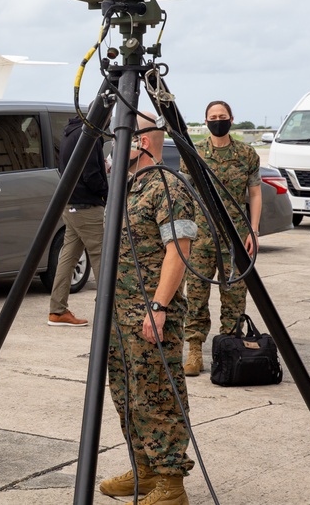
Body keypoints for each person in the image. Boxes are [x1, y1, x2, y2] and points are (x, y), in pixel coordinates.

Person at [99, 113, 197, 504]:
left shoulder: (167, 187)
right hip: (119, 316)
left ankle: (171, 485)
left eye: (119, 135)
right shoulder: (126, 186)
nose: (112, 144)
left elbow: (179, 251)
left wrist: (158, 307)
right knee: (126, 396)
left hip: (150, 314)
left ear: (141, 141)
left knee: (156, 397)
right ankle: (145, 470)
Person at [180, 100, 261, 377]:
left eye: (222, 116)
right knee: (197, 295)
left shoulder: (247, 154)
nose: (218, 120)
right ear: (206, 121)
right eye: (213, 117)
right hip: (201, 235)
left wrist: (254, 230)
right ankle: (193, 350)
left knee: (235, 296)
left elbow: (255, 194)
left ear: (231, 119)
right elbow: (184, 195)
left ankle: (228, 349)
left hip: (236, 236)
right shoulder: (194, 154)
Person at [47, 110, 109, 327]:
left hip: (71, 203)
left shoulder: (70, 132)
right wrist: (107, 191)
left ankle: (57, 310)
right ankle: (110, 314)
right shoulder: (89, 135)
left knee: (69, 256)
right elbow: (91, 174)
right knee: (102, 256)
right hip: (86, 205)